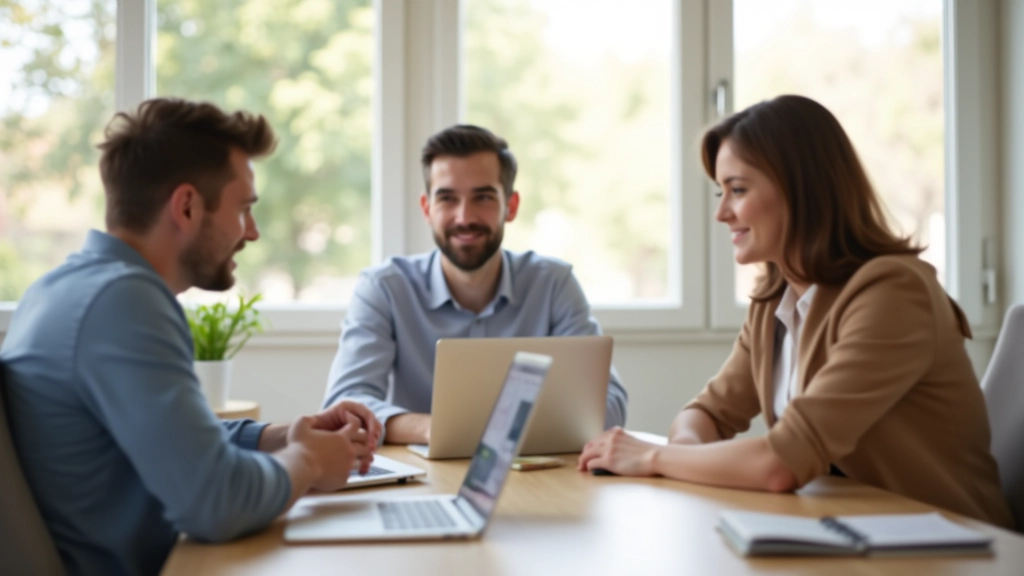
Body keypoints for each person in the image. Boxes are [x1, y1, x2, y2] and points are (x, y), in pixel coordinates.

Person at [578, 95, 1013, 528]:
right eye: (721, 191)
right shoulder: (776, 302)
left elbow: (781, 462)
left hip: (954, 546)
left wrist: (654, 457)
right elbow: (708, 412)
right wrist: (684, 452)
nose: (722, 213)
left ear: (802, 190)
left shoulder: (893, 293)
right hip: (847, 531)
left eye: (738, 190)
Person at [0, 98, 382, 576]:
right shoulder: (123, 302)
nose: (254, 232)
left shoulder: (64, 288)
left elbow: (172, 439)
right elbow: (215, 502)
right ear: (186, 206)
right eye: (243, 209)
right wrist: (307, 461)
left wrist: (284, 436)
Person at [323, 124, 628, 444]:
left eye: (482, 197)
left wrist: (491, 429)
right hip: (419, 476)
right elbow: (345, 404)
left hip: (534, 473)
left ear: (510, 206)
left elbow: (608, 404)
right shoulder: (384, 288)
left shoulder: (553, 284)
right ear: (427, 209)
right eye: (448, 199)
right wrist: (435, 429)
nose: (464, 217)